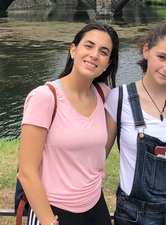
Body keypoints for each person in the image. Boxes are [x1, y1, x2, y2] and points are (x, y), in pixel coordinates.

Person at [18, 23, 120, 225]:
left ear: (108, 63)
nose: (94, 55)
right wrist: (49, 222)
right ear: (73, 50)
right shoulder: (44, 98)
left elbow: (141, 98)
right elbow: (26, 173)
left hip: (95, 205)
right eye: (88, 46)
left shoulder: (104, 95)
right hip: (54, 210)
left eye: (103, 51)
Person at [104, 19, 166, 225]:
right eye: (161, 57)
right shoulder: (119, 99)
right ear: (146, 51)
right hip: (133, 214)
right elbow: (97, 158)